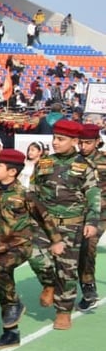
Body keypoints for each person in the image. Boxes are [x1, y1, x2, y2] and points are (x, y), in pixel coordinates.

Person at [29, 119, 101, 329]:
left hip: (72, 226)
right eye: (54, 138)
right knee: (35, 256)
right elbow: (33, 192)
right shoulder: (44, 163)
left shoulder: (85, 166)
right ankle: (49, 284)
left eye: (61, 139)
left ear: (75, 141)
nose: (55, 143)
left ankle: (63, 311)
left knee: (67, 269)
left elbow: (93, 193)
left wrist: (92, 220)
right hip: (44, 225)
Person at [0, 149, 40, 349]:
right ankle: (11, 333)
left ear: (12, 172)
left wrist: (56, 240)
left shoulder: (24, 194)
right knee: (4, 287)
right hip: (2, 248)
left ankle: (15, 303)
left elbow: (43, 218)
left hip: (20, 246)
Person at [76, 123, 106, 311]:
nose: (83, 146)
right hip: (78, 213)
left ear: (97, 142)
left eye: (87, 142)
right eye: (81, 143)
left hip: (101, 212)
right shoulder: (73, 161)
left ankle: (88, 286)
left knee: (89, 243)